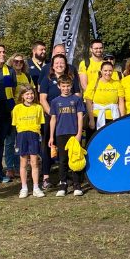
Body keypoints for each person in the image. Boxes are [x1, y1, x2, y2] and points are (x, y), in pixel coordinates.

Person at [39, 54, 81, 189]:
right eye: (56, 63)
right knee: (48, 147)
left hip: (69, 119)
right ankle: (46, 176)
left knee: (68, 148)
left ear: (66, 64)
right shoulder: (47, 79)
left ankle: (68, 176)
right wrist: (52, 114)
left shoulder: (72, 79)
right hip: (51, 117)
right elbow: (42, 99)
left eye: (62, 63)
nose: (59, 65)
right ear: (52, 65)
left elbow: (77, 96)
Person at [49, 76, 86, 197]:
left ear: (71, 86)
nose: (66, 88)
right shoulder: (55, 101)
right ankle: (63, 185)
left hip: (74, 133)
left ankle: (77, 185)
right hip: (61, 134)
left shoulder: (76, 99)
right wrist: (51, 137)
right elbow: (53, 119)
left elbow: (80, 117)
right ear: (59, 86)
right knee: (63, 160)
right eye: (63, 86)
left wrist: (79, 133)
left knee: (75, 159)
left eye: (68, 86)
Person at [12, 85, 46, 198]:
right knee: (23, 162)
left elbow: (40, 124)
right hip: (22, 135)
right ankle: (24, 187)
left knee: (34, 162)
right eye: (27, 94)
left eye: (31, 93)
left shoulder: (38, 108)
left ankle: (36, 187)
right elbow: (15, 125)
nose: (29, 96)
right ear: (22, 96)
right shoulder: (17, 109)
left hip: (34, 135)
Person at [0, 44, 17, 183]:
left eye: (4, 52)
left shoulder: (10, 70)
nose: (2, 54)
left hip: (7, 111)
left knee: (2, 143)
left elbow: (13, 90)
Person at [85, 61, 125, 129]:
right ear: (101, 71)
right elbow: (88, 102)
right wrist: (91, 120)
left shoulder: (117, 84)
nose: (108, 73)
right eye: (105, 70)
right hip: (96, 117)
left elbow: (121, 103)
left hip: (113, 117)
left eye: (110, 71)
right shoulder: (93, 83)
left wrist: (122, 118)